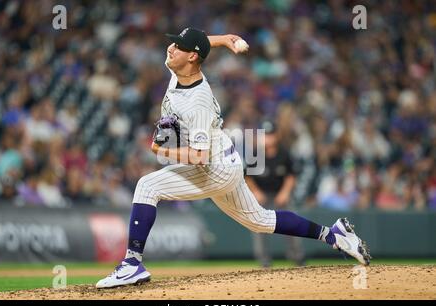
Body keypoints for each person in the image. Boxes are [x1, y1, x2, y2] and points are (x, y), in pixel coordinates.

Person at [96, 28, 371, 288]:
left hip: (215, 168)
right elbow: (200, 42)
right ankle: (334, 234)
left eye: (178, 46)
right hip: (227, 160)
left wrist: (160, 150)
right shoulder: (179, 70)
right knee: (261, 221)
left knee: (147, 186)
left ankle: (132, 263)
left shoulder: (197, 102)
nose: (170, 48)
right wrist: (224, 39)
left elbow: (199, 157)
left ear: (192, 56)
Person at [245, 118, 305, 267]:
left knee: (291, 225)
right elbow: (247, 177)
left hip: (280, 195)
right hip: (261, 197)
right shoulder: (256, 154)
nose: (268, 138)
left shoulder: (284, 153)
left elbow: (291, 175)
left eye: (270, 134)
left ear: (276, 135)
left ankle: (298, 258)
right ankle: (264, 262)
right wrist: (256, 192)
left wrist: (284, 193)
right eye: (265, 134)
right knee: (258, 227)